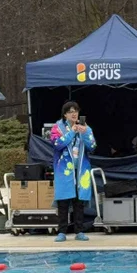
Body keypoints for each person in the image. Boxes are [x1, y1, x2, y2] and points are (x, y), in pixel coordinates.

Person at [50, 101, 96, 242]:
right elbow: (57, 144)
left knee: (79, 201)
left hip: (81, 170)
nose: (74, 113)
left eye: (75, 110)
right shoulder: (57, 128)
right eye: (70, 111)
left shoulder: (85, 128)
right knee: (63, 201)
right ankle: (62, 231)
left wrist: (86, 133)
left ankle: (79, 231)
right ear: (65, 114)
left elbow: (92, 147)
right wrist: (72, 132)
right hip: (64, 170)